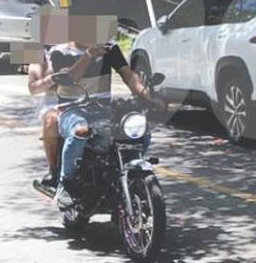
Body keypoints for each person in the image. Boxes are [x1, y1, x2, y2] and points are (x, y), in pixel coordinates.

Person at [28, 39, 158, 206]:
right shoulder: (55, 51)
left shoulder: (109, 48)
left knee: (139, 129)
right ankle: (60, 179)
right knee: (61, 123)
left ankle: (128, 173)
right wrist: (88, 55)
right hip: (68, 106)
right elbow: (46, 83)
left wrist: (150, 98)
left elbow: (129, 77)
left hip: (100, 108)